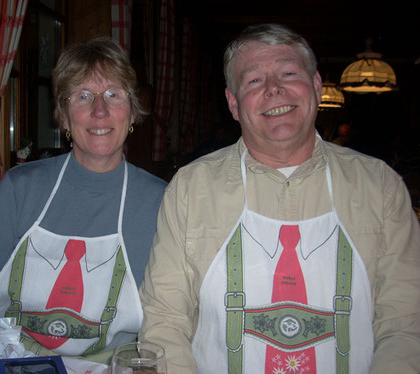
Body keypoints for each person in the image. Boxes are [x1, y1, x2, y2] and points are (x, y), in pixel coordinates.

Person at [139, 23, 420, 374]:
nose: (274, 89)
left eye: (288, 73)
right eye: (255, 80)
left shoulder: (381, 187)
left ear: (316, 87)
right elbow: (164, 320)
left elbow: (406, 325)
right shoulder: (190, 188)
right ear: (233, 103)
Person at [0, 37, 167, 363]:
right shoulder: (18, 189)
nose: (99, 110)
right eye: (82, 96)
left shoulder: (161, 202)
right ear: (63, 117)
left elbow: (169, 324)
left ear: (132, 112)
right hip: (12, 363)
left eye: (113, 94)